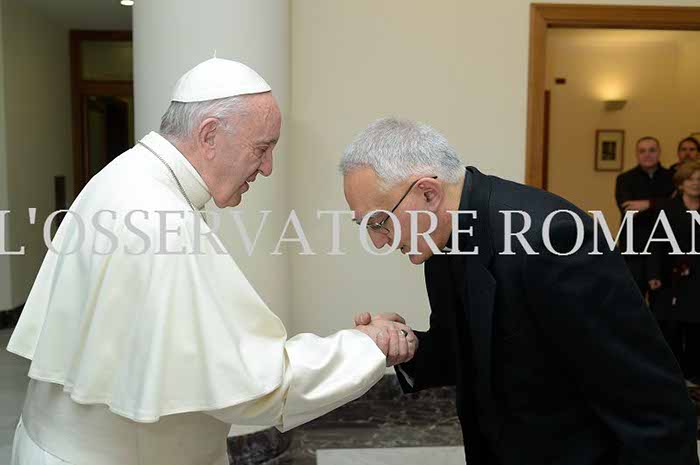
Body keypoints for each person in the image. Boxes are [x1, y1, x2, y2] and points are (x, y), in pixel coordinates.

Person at [7, 59, 417, 465]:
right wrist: (367, 346)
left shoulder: (126, 176)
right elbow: (258, 381)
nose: (268, 168)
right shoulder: (160, 218)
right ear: (209, 135)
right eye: (262, 148)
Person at [342, 118, 698, 465]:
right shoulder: (441, 240)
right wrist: (404, 344)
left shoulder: (551, 237)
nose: (378, 241)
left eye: (379, 221)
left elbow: (652, 403)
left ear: (428, 193)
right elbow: (469, 351)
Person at [648, 159, 700, 385]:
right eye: (690, 179)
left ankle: (694, 377)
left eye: (699, 179)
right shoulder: (667, 209)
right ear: (681, 183)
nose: (696, 183)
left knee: (696, 329)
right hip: (671, 277)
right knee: (672, 327)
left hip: (698, 277)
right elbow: (656, 244)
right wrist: (653, 274)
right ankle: (674, 378)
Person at [615, 137, 675, 294]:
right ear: (637, 154)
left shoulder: (672, 177)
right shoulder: (624, 179)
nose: (647, 154)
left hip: (665, 248)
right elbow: (629, 210)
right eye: (642, 151)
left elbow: (675, 208)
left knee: (662, 302)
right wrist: (661, 204)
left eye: (652, 150)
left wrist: (648, 204)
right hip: (635, 249)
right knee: (634, 300)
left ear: (659, 152)